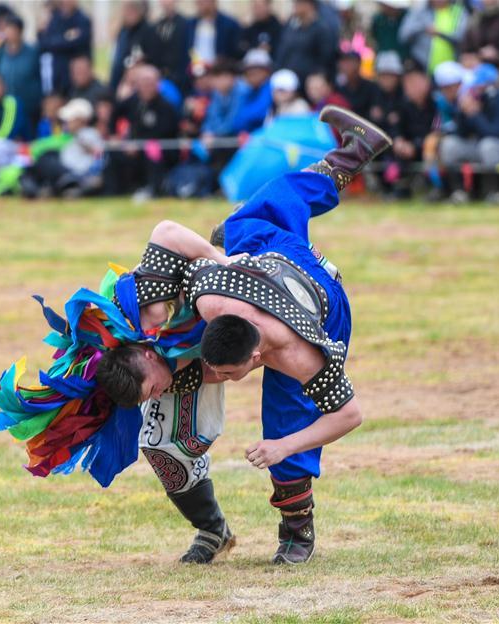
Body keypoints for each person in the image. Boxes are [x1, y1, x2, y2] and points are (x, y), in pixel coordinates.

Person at [97, 105, 393, 564]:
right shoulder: (204, 295)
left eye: (225, 372)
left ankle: (297, 531)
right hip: (261, 261)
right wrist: (220, 259)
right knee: (253, 216)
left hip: (320, 302)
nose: (216, 376)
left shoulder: (303, 353)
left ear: (254, 359)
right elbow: (169, 234)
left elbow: (349, 415)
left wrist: (283, 446)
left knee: (287, 414)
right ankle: (352, 155)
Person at [439, 63, 499, 202]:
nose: (476, 90)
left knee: (489, 146)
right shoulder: (477, 100)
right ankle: (460, 191)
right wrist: (463, 113)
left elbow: (495, 133)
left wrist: (475, 115)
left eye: (480, 87)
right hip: (482, 146)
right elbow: (460, 133)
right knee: (450, 145)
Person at [107, 64, 180, 197]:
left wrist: (139, 144)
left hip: (162, 149)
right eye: (143, 83)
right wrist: (114, 135)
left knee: (152, 150)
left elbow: (163, 131)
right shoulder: (133, 101)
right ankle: (113, 191)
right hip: (133, 146)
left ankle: (154, 189)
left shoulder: (166, 106)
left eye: (150, 83)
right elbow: (115, 114)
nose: (147, 87)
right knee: (112, 152)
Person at [20, 98, 104, 198]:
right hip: (66, 171)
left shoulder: (88, 133)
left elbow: (96, 152)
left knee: (46, 159)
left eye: (70, 120)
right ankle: (39, 189)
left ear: (81, 120)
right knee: (42, 160)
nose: (67, 122)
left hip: (77, 174)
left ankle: (67, 185)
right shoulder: (71, 136)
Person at [0, 13, 41, 135]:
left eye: (11, 29)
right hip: (6, 108)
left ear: (19, 31)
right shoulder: (1, 52)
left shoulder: (33, 52)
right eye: (6, 29)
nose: (8, 33)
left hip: (29, 108)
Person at [276, 0, 338, 84]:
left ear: (310, 5)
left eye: (299, 3)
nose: (295, 6)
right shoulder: (290, 27)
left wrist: (317, 77)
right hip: (288, 80)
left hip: (310, 84)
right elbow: (282, 52)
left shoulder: (322, 29)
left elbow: (325, 59)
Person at [38, 0, 92, 94]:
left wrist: (55, 42)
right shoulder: (55, 19)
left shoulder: (83, 20)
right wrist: (63, 39)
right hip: (56, 74)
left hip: (74, 77)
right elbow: (43, 43)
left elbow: (76, 43)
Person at [399, 0, 467, 74]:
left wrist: (440, 34)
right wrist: (423, 29)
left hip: (451, 72)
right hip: (421, 69)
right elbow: (404, 36)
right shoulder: (419, 11)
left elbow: (462, 39)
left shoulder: (459, 12)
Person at [459, 0, 499, 71]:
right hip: (476, 69)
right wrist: (479, 55)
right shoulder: (475, 17)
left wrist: (498, 56)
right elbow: (465, 49)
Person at [109, 0, 157, 91]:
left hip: (137, 81)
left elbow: (151, 58)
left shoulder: (148, 30)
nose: (129, 14)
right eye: (127, 10)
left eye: (132, 10)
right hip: (119, 78)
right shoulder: (124, 31)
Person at [230, 48, 274, 134]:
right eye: (248, 71)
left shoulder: (271, 88)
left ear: (267, 72)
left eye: (256, 71)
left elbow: (258, 114)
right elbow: (236, 123)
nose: (251, 75)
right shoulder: (246, 90)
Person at [151, 0, 190, 93]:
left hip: (179, 78)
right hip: (160, 76)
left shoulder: (185, 24)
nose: (166, 2)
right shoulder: (157, 25)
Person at [186, 0, 242, 65]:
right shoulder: (190, 24)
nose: (200, 4)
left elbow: (235, 52)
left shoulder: (230, 25)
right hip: (195, 69)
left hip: (220, 70)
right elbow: (189, 48)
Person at [335, 50, 377, 119]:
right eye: (344, 62)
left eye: (349, 62)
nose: (346, 66)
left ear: (358, 64)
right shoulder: (339, 89)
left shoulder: (371, 88)